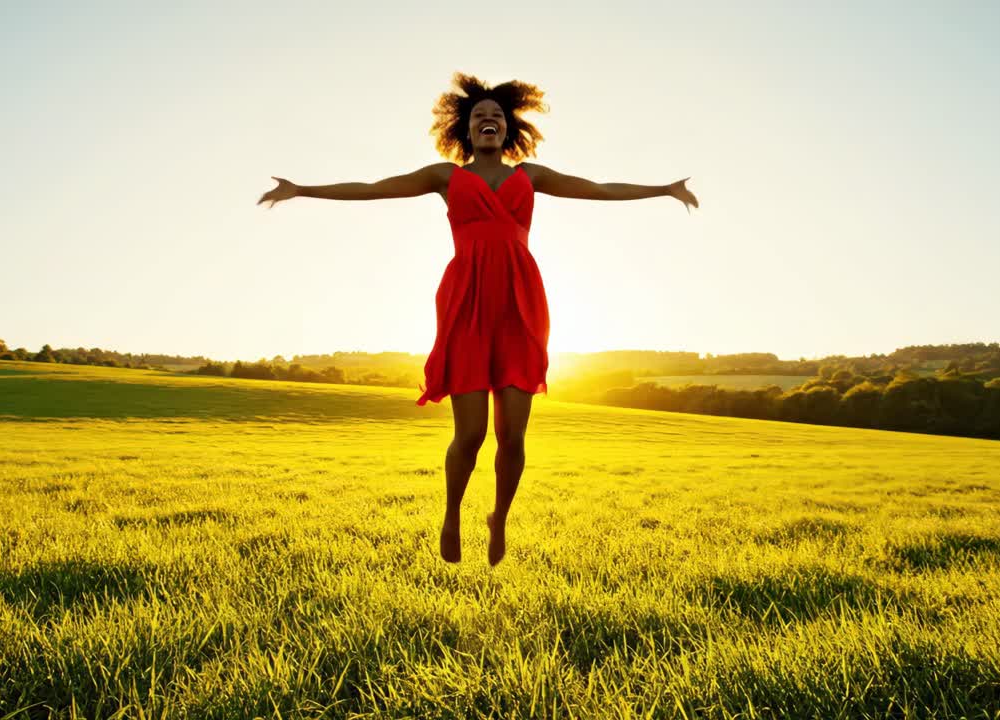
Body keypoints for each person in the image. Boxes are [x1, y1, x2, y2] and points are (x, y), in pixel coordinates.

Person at [257, 72, 698, 566]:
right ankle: (451, 514)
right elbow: (373, 188)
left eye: (496, 116)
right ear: (465, 130)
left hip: (520, 305)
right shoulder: (446, 177)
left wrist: (663, 188)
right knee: (471, 435)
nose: (488, 119)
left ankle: (499, 518)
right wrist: (301, 189)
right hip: (466, 304)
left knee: (513, 434)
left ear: (508, 130)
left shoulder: (529, 176)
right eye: (478, 116)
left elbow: (597, 188)